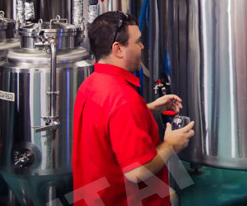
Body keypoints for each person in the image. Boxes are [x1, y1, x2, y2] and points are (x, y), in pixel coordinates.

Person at [72, 11, 195, 206]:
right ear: (118, 49)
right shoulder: (124, 100)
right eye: (137, 41)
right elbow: (136, 172)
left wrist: (148, 109)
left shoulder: (89, 85)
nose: (142, 46)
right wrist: (171, 145)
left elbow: (107, 123)